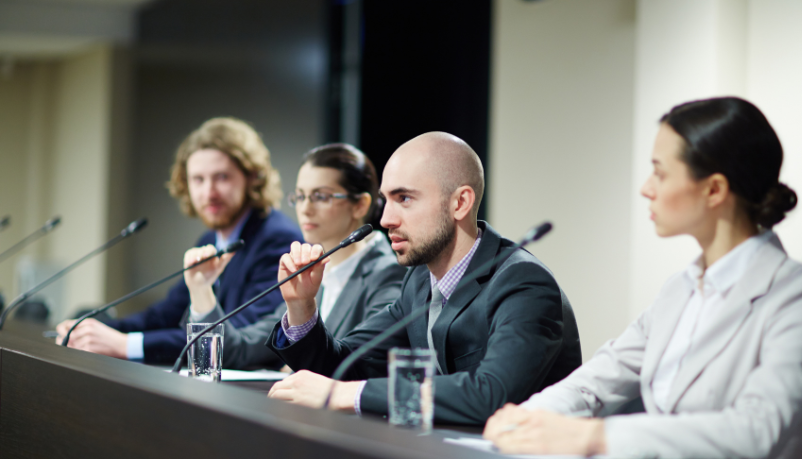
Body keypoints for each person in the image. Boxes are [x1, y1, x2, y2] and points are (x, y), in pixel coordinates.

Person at [483, 97, 802, 458]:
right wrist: (525, 416)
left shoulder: (797, 297)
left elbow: (756, 429)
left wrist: (597, 438)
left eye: (659, 172)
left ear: (714, 189)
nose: (646, 188)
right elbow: (597, 380)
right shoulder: (680, 289)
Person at [265, 132, 582, 425]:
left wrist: (348, 395)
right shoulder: (418, 281)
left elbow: (493, 393)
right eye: (386, 200)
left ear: (460, 203)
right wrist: (302, 306)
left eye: (404, 198)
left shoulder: (523, 283)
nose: (386, 219)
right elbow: (346, 366)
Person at [56, 117, 302, 364]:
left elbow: (230, 338)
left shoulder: (277, 240)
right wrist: (95, 331)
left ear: (252, 178)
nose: (209, 192)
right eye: (198, 179)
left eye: (222, 177)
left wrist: (123, 345)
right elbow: (166, 314)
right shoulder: (209, 240)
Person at [181, 143, 406, 370]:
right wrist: (201, 290)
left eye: (320, 196)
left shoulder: (389, 275)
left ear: (360, 205)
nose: (305, 208)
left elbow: (359, 365)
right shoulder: (315, 273)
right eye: (300, 196)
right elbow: (237, 352)